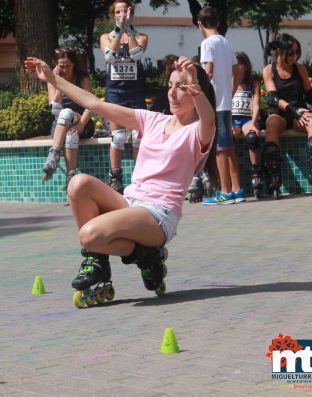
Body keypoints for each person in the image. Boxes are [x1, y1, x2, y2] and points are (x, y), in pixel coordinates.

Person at [24, 55, 217, 301]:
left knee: (89, 235)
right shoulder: (153, 120)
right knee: (77, 183)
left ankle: (141, 254)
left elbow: (209, 119)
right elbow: (94, 103)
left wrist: (195, 88)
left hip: (159, 214)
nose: (173, 93)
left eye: (181, 87)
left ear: (194, 91)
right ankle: (105, 263)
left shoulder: (197, 133)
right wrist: (53, 79)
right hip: (130, 202)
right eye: (170, 86)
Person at [262, 33, 312, 197]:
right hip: (281, 112)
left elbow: (310, 94)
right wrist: (291, 109)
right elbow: (272, 97)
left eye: (297, 53)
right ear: (280, 51)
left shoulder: (299, 68)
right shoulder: (268, 70)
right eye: (291, 53)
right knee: (271, 124)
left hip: (298, 112)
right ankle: (274, 177)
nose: (295, 56)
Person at [197, 6, 244, 205]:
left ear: (200, 24)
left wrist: (199, 92)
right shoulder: (226, 42)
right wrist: (230, 91)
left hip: (214, 103)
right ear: (217, 23)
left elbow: (207, 71)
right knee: (229, 146)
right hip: (225, 102)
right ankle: (237, 189)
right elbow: (238, 70)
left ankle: (224, 191)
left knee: (219, 148)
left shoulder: (207, 43)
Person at [100, 0, 149, 193]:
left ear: (131, 13)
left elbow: (136, 55)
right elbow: (110, 57)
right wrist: (119, 32)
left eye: (125, 11)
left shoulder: (142, 36)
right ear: (113, 15)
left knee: (138, 136)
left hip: (135, 91)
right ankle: (116, 176)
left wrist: (129, 31)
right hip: (115, 91)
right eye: (118, 12)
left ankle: (139, 176)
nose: (122, 15)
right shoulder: (106, 37)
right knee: (118, 137)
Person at [41, 47, 94, 188]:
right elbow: (54, 110)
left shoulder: (82, 78)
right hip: (60, 125)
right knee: (69, 133)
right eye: (61, 66)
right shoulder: (52, 80)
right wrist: (58, 82)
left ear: (74, 65)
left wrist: (81, 124)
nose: (65, 69)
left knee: (67, 112)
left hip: (82, 121)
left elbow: (91, 105)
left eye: (68, 66)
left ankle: (54, 155)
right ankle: (71, 178)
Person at [231, 51, 264, 198]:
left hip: (246, 120)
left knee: (252, 137)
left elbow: (256, 105)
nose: (234, 66)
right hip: (232, 120)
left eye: (238, 63)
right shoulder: (229, 83)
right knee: (226, 141)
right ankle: (231, 180)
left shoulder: (253, 84)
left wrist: (254, 123)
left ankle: (257, 174)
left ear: (245, 66)